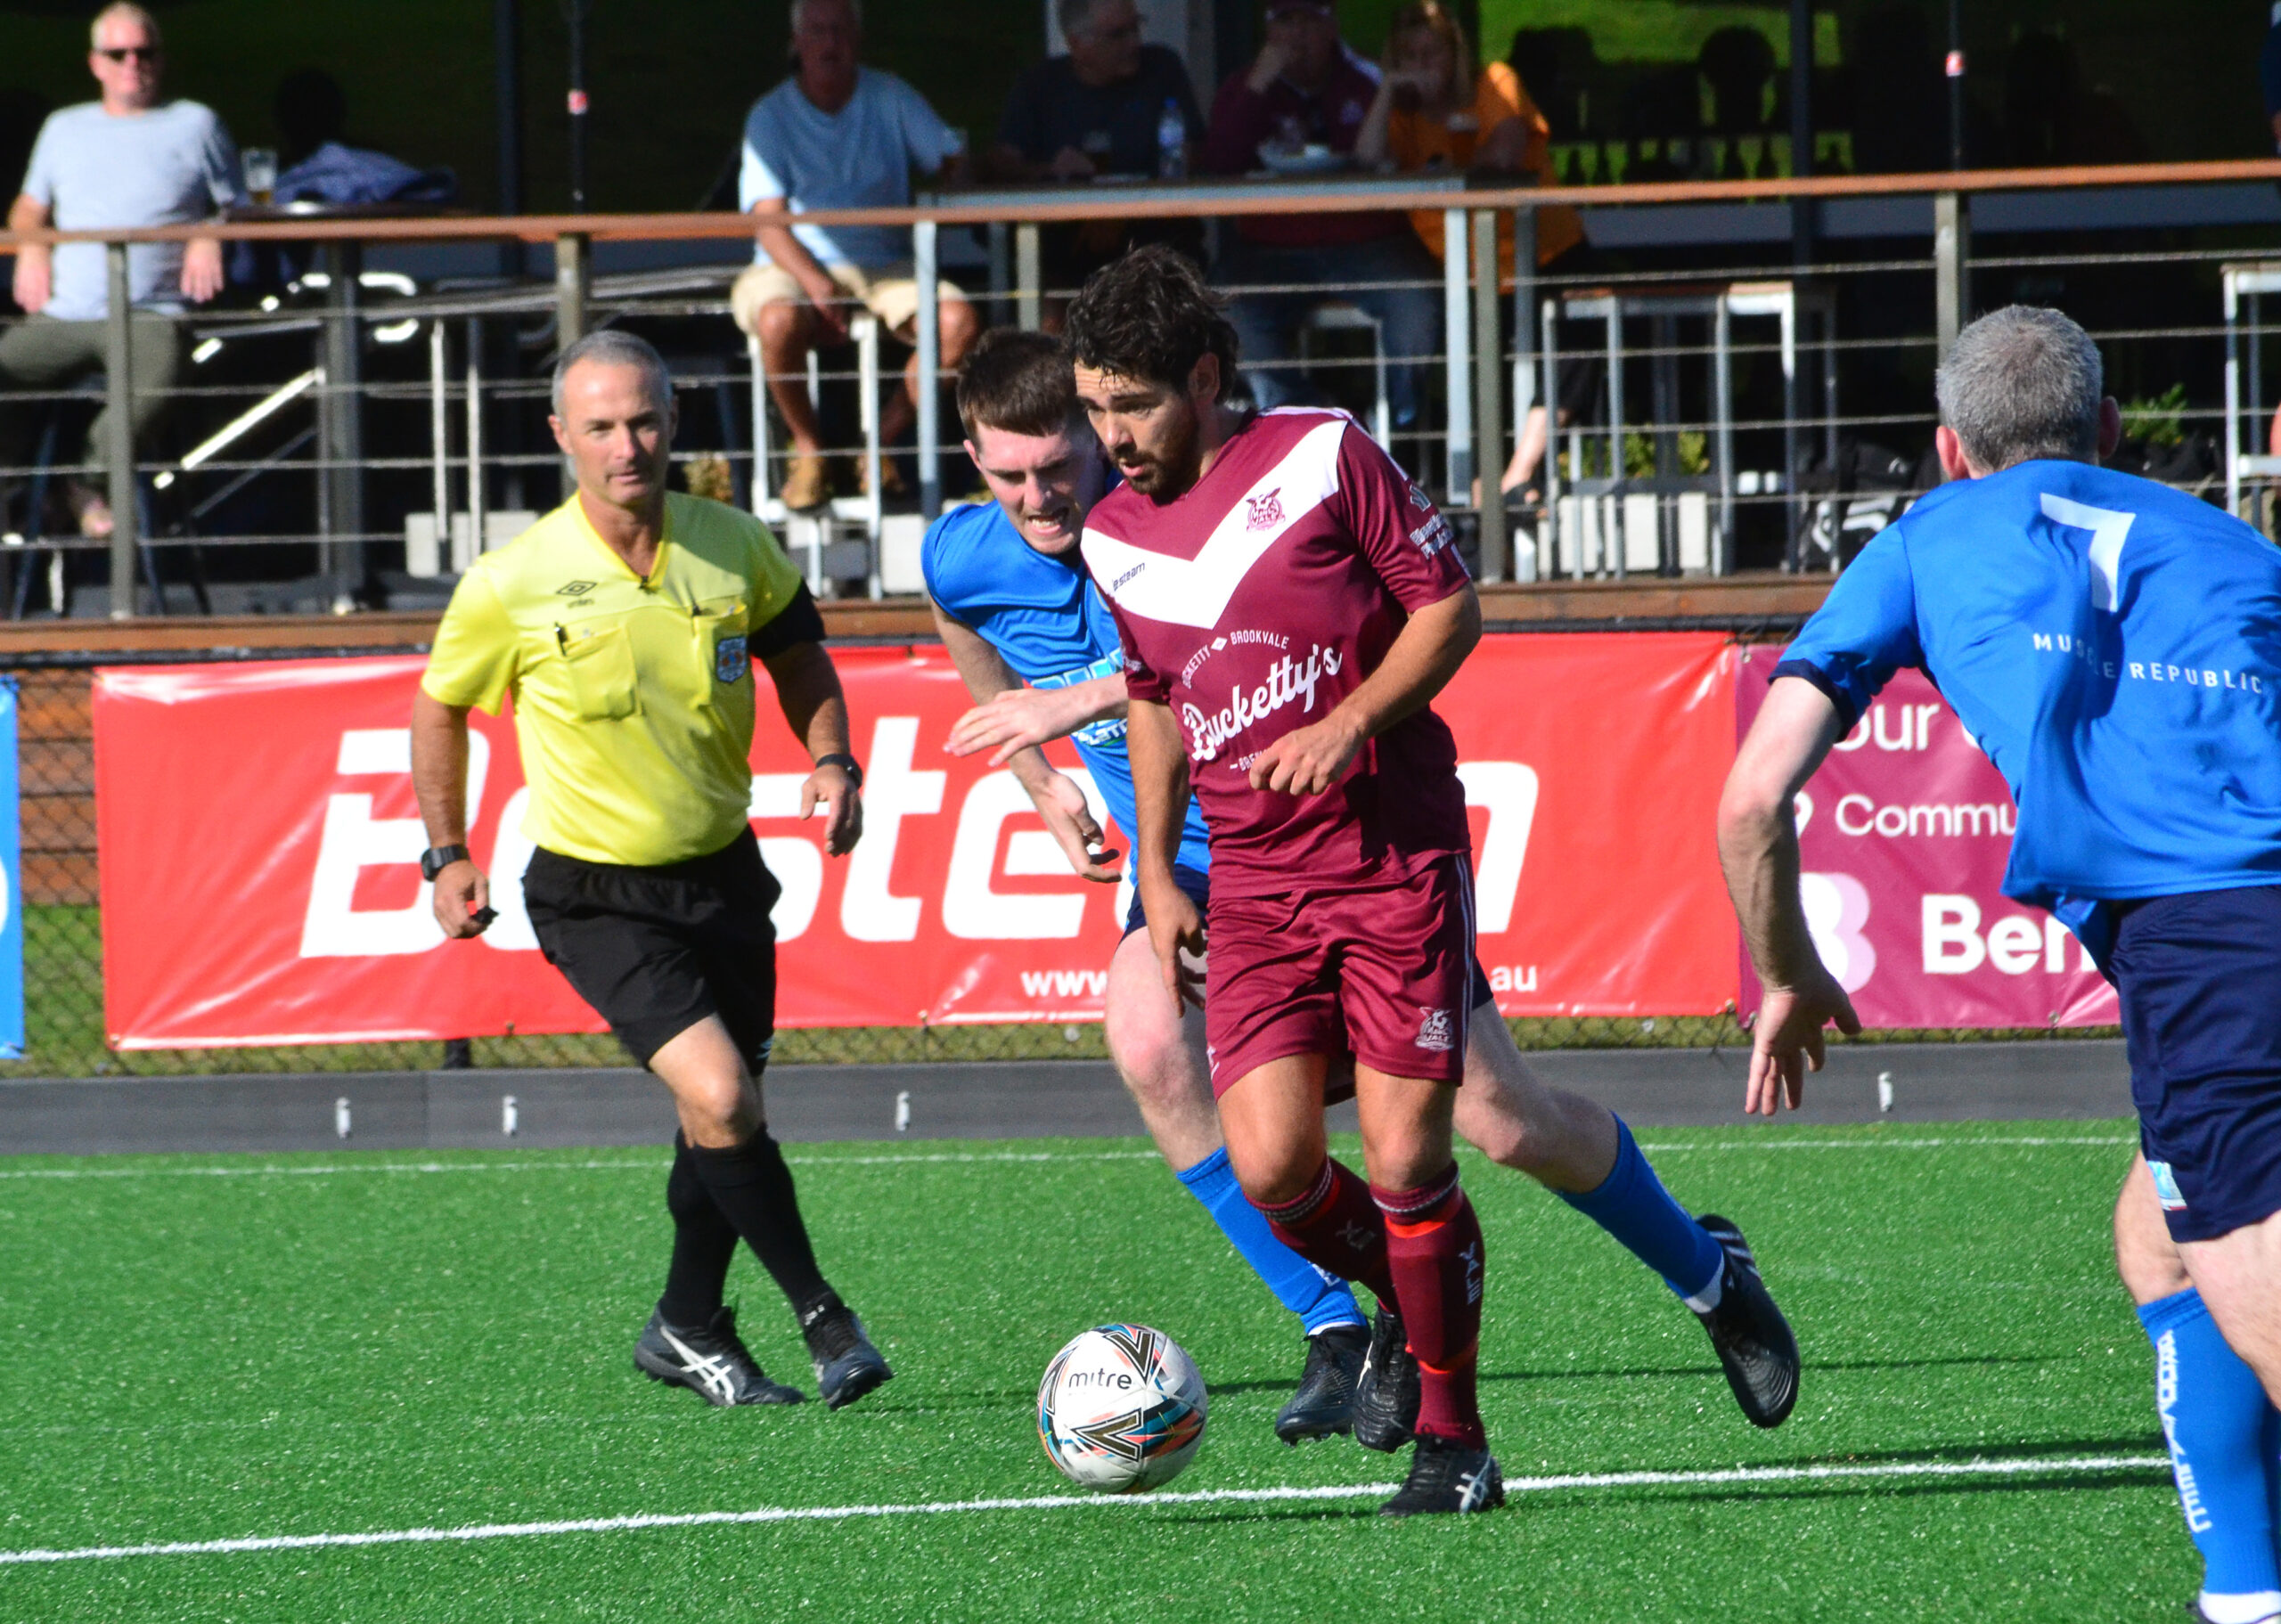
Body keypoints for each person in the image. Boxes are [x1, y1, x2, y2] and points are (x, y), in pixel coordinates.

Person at [929, 322, 1800, 1460]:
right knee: (1150, 1044)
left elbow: (1196, 657)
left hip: (1340, 837)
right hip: (1202, 859)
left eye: (1063, 468)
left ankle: (1701, 1266)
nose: (1043, 497)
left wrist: (1073, 703)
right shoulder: (963, 552)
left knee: (1503, 1120)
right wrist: (1041, 786)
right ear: (971, 459)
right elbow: (970, 629)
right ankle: (1342, 1320)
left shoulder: (1154, 515)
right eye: (1012, 476)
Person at [1720, 305, 2281, 1624]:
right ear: (2112, 431)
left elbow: (1752, 799)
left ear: (1949, 450)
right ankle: (2248, 1588)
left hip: (2212, 945)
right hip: (2235, 933)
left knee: (2244, 1275)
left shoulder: (1920, 538)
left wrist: (1788, 968)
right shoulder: (2235, 542)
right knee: (2155, 1235)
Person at [413, 330, 892, 1414]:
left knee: (721, 1116)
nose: (624, 445)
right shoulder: (513, 579)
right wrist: (447, 852)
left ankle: (684, 1325)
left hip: (725, 876)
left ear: (672, 423)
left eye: (642, 421)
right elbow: (438, 705)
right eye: (599, 427)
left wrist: (830, 757)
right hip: (594, 892)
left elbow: (799, 648)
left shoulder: (733, 544)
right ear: (560, 438)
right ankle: (825, 1317)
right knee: (722, 1094)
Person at [732, 0, 981, 513]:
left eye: (841, 32)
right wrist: (817, 283)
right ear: (797, 43)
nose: (830, 44)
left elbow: (950, 156)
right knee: (777, 320)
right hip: (789, 266)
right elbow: (768, 224)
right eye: (818, 32)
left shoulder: (889, 95)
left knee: (958, 324)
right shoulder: (769, 115)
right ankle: (809, 449)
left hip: (887, 265)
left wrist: (960, 168)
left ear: (858, 41)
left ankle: (879, 443)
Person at [1, 2, 238, 540]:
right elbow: (27, 210)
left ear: (160, 57)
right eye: (119, 53)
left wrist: (209, 232)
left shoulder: (197, 122)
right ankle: (21, 501)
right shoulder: (64, 128)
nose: (133, 63)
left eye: (144, 51)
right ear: (96, 63)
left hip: (149, 312)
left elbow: (236, 205)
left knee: (155, 387)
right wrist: (32, 248)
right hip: (66, 313)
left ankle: (84, 482)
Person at [1350, 0, 1588, 505]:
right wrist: (1389, 89)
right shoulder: (1404, 116)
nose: (1422, 65)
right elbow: (1366, 161)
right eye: (1409, 55)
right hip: (1464, 275)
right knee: (1460, 355)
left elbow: (1503, 152)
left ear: (1455, 54)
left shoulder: (1495, 83)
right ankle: (1476, 493)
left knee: (1575, 334)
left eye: (1431, 53)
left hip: (1541, 255)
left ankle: (1517, 475)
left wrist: (1441, 163)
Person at [1200, 0, 1441, 440]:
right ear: (1269, 30)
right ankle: (1317, 426)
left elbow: (1398, 150)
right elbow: (1217, 163)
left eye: (1309, 20)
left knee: (1418, 303)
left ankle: (1401, 431)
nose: (1297, 34)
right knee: (1226, 312)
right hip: (1270, 247)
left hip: (1368, 241)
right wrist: (1258, 84)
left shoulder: (1368, 79)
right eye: (1285, 20)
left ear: (1331, 26)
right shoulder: (1247, 86)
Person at [985, 0, 1206, 326]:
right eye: (1119, 34)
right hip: (1067, 245)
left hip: (1156, 240)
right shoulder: (1040, 86)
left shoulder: (1161, 68)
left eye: (1136, 27)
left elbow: (1194, 153)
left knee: (1171, 307)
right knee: (1051, 311)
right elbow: (1001, 163)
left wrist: (1120, 212)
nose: (1135, 42)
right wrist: (1050, 169)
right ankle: (1057, 377)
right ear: (1078, 44)